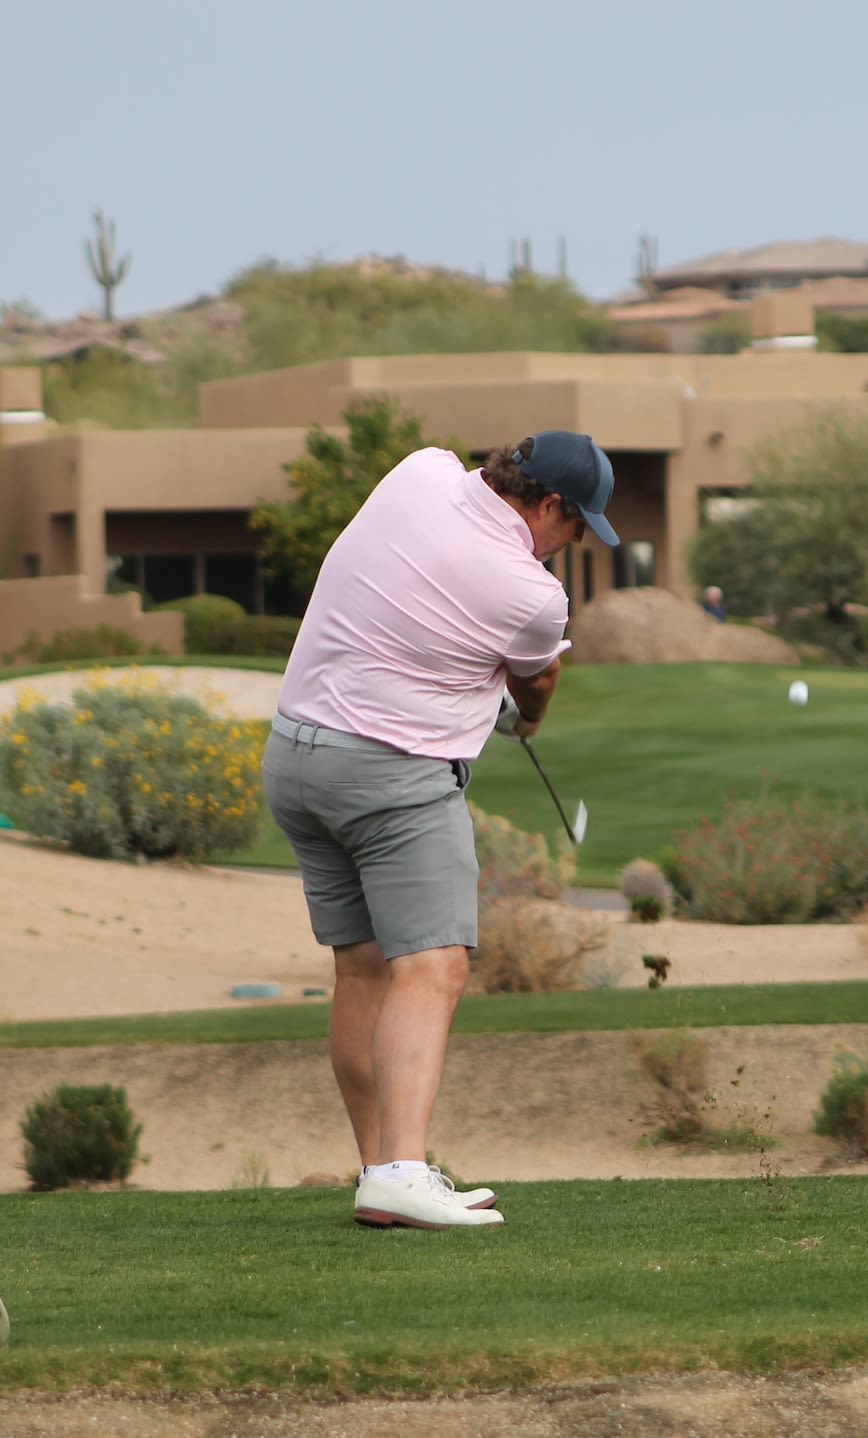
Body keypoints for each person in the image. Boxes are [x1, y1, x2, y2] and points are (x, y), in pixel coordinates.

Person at [261, 431, 618, 1230]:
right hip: (390, 778)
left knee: (360, 970)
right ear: (550, 506)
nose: (570, 547)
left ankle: (379, 1175)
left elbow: (407, 597)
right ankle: (403, 1170)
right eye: (577, 527)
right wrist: (524, 717)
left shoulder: (418, 470)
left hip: (294, 758)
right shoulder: (535, 595)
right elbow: (536, 676)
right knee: (434, 968)